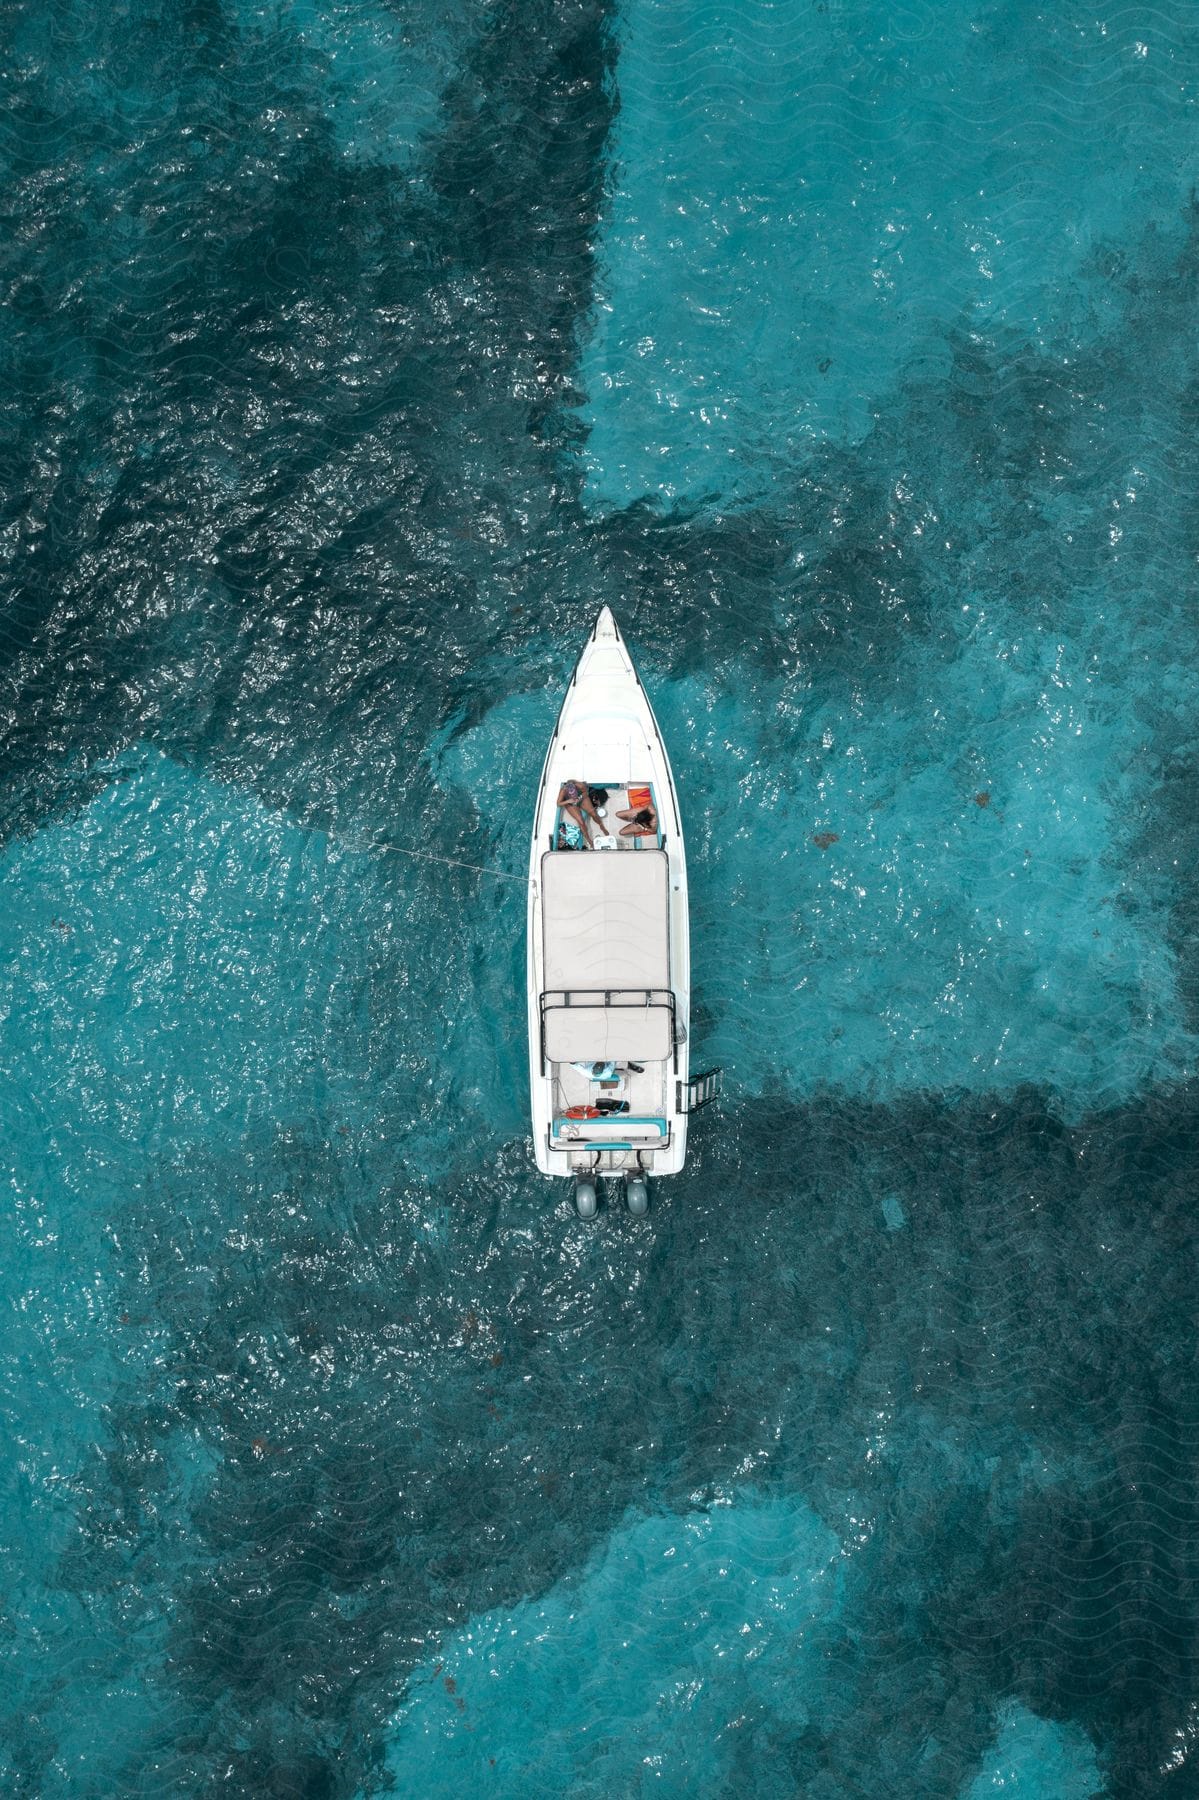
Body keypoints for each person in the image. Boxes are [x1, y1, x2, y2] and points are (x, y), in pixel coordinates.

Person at [557, 778, 605, 848]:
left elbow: (586, 792)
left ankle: (601, 826)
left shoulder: (580, 785)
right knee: (581, 822)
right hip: (570, 803)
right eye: (570, 792)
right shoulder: (563, 791)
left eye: (573, 791)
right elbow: (558, 803)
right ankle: (589, 840)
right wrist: (568, 801)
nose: (572, 793)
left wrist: (580, 798)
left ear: (575, 787)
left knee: (593, 813)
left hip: (580, 798)